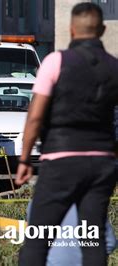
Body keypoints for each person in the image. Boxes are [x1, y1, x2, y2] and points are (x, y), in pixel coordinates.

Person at [15, 3, 118, 265]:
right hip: (102, 163)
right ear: (103, 30)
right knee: (92, 240)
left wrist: (25, 159)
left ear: (72, 30)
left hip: (61, 161)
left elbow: (35, 115)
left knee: (38, 241)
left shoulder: (55, 62)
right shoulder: (114, 67)